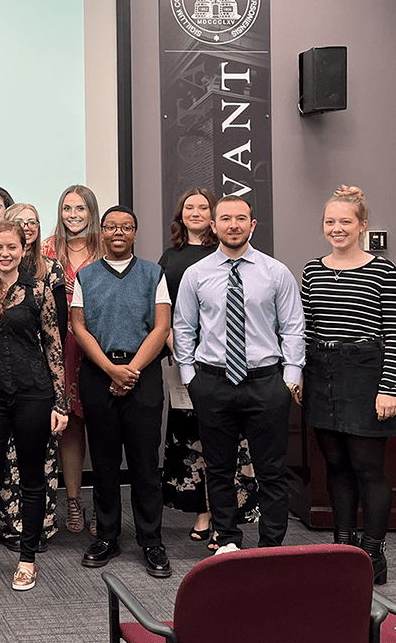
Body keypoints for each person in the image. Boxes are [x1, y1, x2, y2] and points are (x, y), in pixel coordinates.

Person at [173, 195, 305, 553]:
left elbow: (294, 327)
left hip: (266, 383)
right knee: (218, 470)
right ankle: (228, 540)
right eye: (226, 218)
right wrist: (190, 377)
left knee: (271, 472)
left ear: (253, 225)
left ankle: (271, 546)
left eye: (241, 218)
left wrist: (290, 377)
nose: (234, 225)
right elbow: (183, 327)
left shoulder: (275, 273)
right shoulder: (195, 274)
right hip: (213, 383)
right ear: (214, 226)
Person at [302, 185, 396, 584]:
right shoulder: (312, 270)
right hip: (322, 372)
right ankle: (344, 548)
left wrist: (389, 387)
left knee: (368, 468)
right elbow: (306, 330)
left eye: (345, 221)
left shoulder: (384, 270)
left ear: (362, 225)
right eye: (330, 221)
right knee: (336, 466)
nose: (337, 228)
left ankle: (373, 552)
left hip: (366, 374)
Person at [0, 221, 67, 593]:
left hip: (33, 395)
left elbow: (54, 347)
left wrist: (61, 403)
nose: (5, 254)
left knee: (33, 481)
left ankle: (27, 559)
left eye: (12, 247)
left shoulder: (39, 291)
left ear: (24, 250)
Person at [72, 206, 172, 578]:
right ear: (102, 231)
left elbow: (161, 327)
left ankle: (152, 541)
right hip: (99, 374)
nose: (118, 232)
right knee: (104, 463)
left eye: (126, 227)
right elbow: (79, 328)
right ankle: (107, 537)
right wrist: (111, 370)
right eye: (111, 226)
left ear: (135, 232)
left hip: (142, 374)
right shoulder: (86, 275)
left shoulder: (153, 273)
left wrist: (130, 370)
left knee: (146, 464)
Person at [158, 188, 259, 550]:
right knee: (192, 436)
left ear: (215, 218)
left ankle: (224, 515)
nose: (196, 212)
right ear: (180, 214)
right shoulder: (170, 257)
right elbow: (164, 311)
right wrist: (181, 352)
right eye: (190, 207)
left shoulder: (231, 254)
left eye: (204, 207)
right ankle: (203, 511)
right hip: (185, 361)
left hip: (228, 363)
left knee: (230, 438)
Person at [0, 204, 68, 552]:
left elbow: (57, 332)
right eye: (20, 222)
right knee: (6, 462)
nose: (27, 228)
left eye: (33, 223)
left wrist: (57, 394)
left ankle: (40, 527)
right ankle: (10, 526)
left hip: (36, 379)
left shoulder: (51, 270)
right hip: (0, 381)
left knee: (39, 459)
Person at [41, 184, 101, 536]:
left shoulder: (107, 247)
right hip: (59, 347)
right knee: (69, 427)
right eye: (67, 208)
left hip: (97, 348)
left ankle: (104, 503)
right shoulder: (47, 248)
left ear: (91, 211)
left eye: (80, 208)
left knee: (102, 424)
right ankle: (74, 502)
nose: (73, 215)